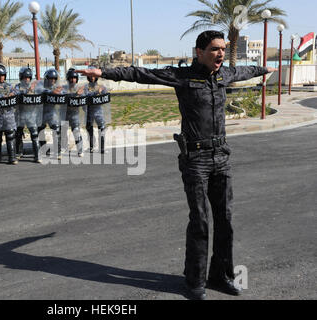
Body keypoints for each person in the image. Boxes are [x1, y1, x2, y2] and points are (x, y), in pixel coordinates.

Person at [77, 30, 277, 300]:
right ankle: (195, 281)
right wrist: (103, 72)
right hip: (195, 160)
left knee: (225, 220)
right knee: (200, 221)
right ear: (199, 52)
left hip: (221, 157)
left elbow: (247, 69)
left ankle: (221, 276)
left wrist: (264, 68)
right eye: (215, 49)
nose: (220, 54)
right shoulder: (182, 76)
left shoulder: (224, 75)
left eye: (222, 49)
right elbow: (141, 73)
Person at [15, 67, 43, 163]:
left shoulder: (35, 87)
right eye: (24, 77)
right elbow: (17, 94)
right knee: (18, 133)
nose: (26, 79)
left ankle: (37, 155)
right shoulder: (18, 86)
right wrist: (28, 91)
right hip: (20, 114)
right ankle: (18, 152)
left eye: (28, 77)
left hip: (31, 114)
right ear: (21, 77)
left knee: (34, 134)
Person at [38, 69, 65, 160]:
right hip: (41, 112)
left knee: (56, 130)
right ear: (46, 78)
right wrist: (50, 92)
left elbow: (63, 93)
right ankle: (44, 149)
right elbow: (39, 90)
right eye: (50, 78)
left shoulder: (58, 87)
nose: (53, 80)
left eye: (54, 78)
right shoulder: (41, 85)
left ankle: (58, 151)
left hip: (51, 112)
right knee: (40, 130)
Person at [85, 66, 110, 154]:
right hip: (88, 111)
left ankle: (102, 148)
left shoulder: (101, 86)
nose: (92, 77)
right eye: (90, 75)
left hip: (99, 111)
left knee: (102, 128)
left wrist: (104, 92)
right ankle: (91, 147)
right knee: (89, 128)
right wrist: (96, 92)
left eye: (93, 75)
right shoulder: (85, 87)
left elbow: (105, 96)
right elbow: (86, 96)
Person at [63, 68, 86, 157]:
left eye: (74, 78)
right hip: (64, 113)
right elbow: (63, 98)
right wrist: (75, 95)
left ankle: (80, 150)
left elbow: (84, 101)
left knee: (76, 131)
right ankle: (64, 147)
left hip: (75, 114)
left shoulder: (80, 89)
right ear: (68, 79)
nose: (73, 80)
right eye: (71, 78)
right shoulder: (64, 88)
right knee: (63, 131)